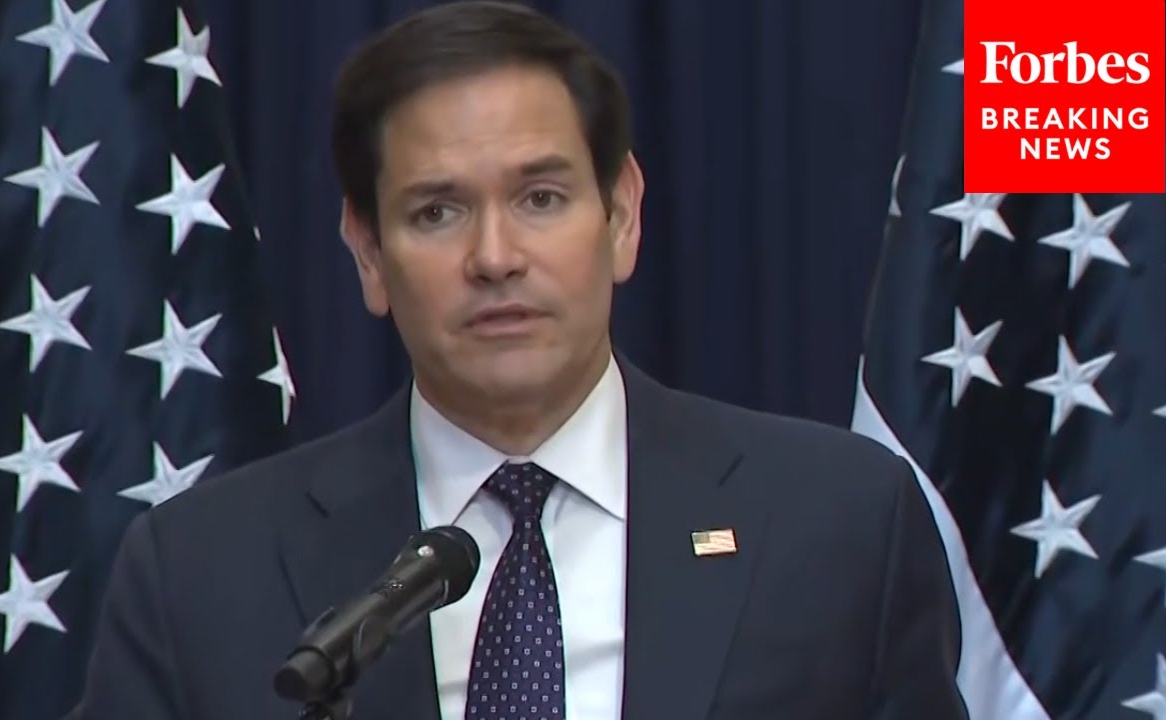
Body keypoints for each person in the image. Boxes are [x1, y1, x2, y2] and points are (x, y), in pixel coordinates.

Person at [69, 1, 968, 718]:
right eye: (437, 212)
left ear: (621, 217)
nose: (495, 256)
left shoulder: (840, 524)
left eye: (541, 198)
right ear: (368, 252)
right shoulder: (199, 573)